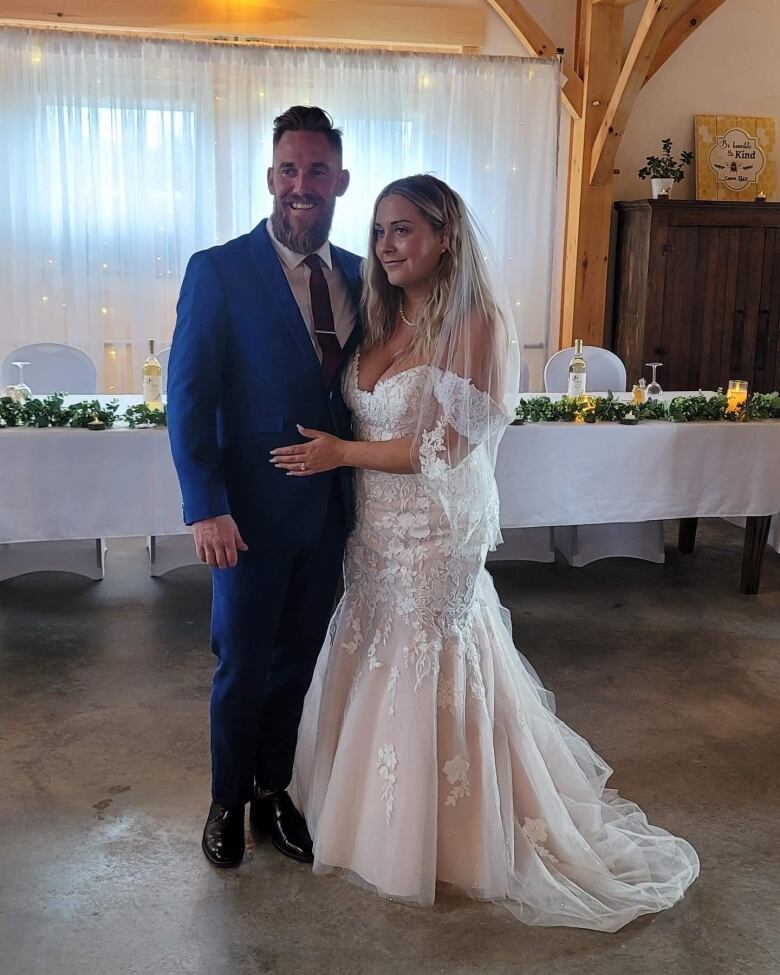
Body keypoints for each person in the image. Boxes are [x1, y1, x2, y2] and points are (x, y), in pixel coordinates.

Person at [270, 174, 699, 931]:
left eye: (403, 229)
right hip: (374, 530)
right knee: (371, 647)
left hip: (434, 533)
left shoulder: (473, 323)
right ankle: (361, 813)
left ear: (445, 236)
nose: (386, 244)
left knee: (428, 655)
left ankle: (452, 835)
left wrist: (340, 454)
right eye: (378, 231)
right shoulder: (381, 313)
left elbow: (445, 448)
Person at [167, 107, 362, 868]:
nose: (302, 185)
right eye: (289, 169)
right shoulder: (217, 270)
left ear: (339, 180)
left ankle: (273, 789)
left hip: (332, 515)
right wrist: (205, 504)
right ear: (270, 177)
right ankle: (225, 798)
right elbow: (186, 397)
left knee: (299, 660)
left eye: (317, 170)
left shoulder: (358, 272)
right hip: (244, 516)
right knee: (241, 663)